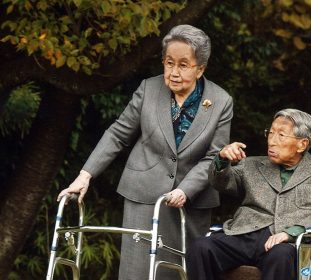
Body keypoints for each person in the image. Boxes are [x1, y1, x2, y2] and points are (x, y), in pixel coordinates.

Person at [57, 24, 233, 279]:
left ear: (200, 68)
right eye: (168, 63)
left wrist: (186, 190)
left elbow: (214, 155)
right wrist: (85, 175)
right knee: (137, 272)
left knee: (181, 272)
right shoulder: (148, 89)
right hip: (143, 194)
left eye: (183, 65)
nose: (173, 72)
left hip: (191, 201)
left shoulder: (221, 101)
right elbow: (118, 133)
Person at [187, 108, 311, 280]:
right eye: (271, 133)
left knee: (281, 255)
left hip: (287, 241)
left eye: (281, 135)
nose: (272, 141)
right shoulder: (252, 164)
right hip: (244, 234)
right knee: (201, 247)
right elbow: (221, 183)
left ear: (302, 144)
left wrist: (291, 232)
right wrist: (222, 159)